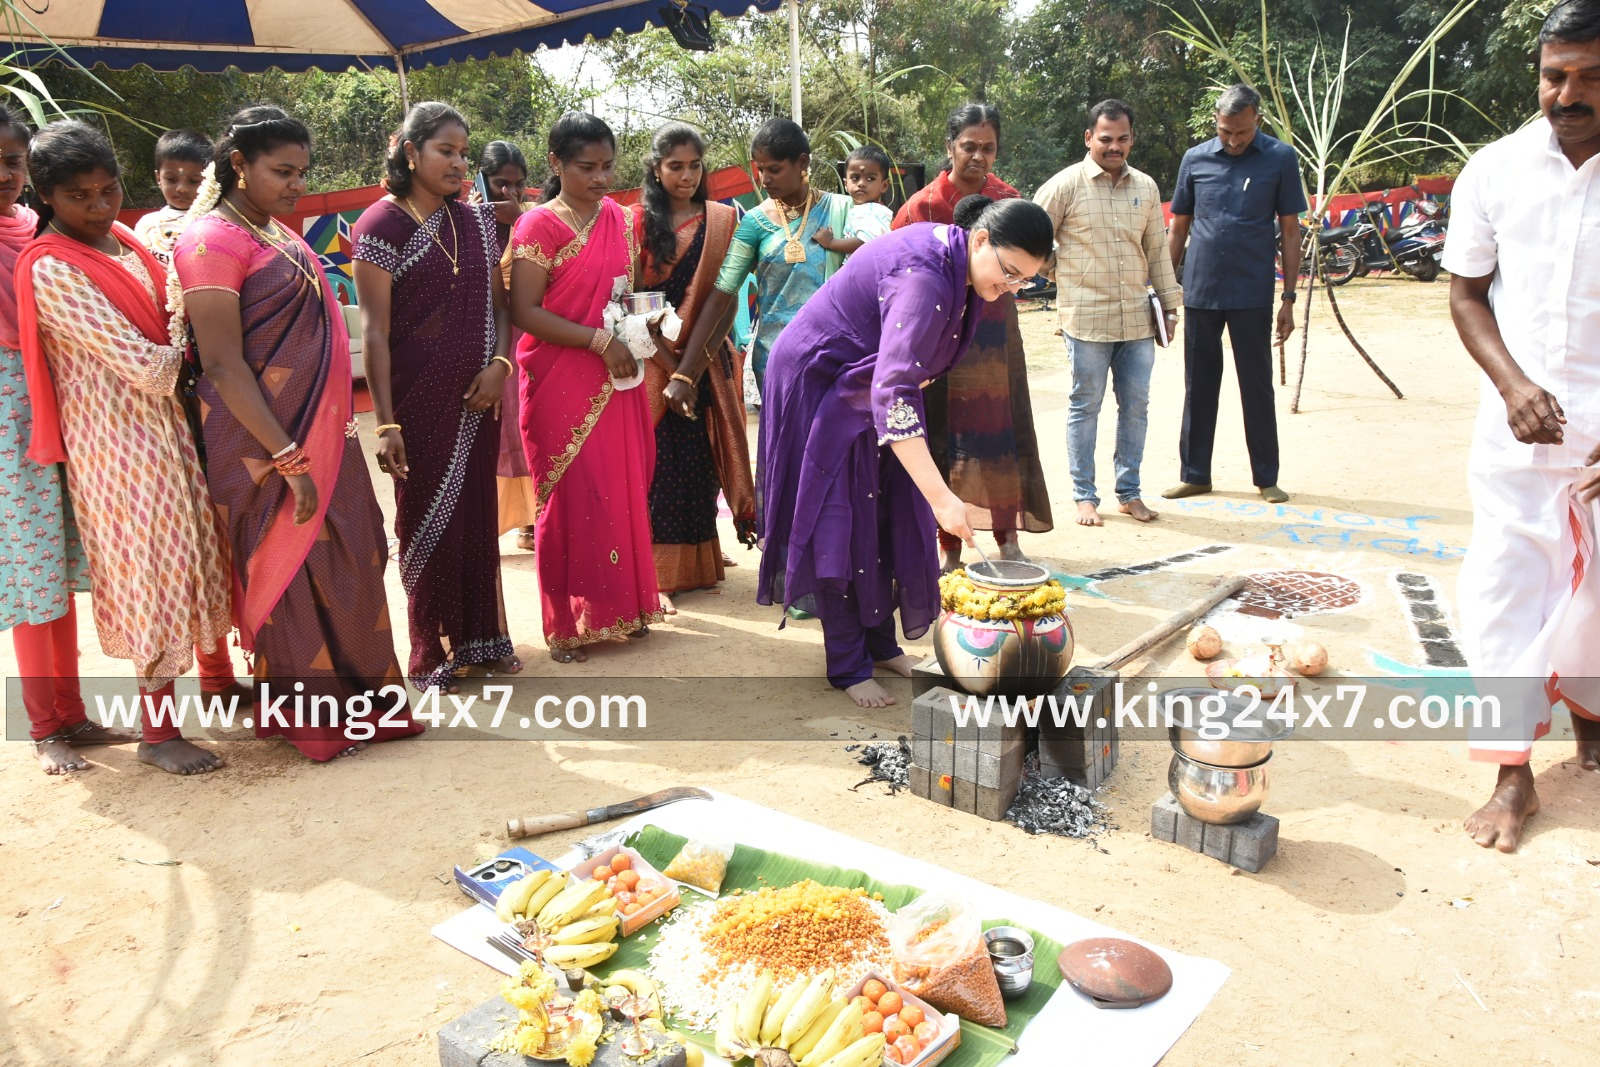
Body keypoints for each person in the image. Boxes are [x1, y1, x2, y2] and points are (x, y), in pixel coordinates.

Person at [172, 106, 424, 760]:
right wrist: (287, 455)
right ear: (238, 166)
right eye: (282, 172)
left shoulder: (276, 233)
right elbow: (224, 362)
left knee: (356, 553)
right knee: (288, 574)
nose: (295, 186)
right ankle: (315, 722)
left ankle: (370, 706)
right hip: (261, 445)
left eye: (301, 173)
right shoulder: (209, 239)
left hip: (324, 434)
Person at [759, 195, 1054, 708]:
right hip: (823, 383)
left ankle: (878, 643)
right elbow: (893, 390)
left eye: (1023, 281)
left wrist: (929, 488)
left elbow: (897, 380)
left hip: (868, 386)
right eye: (1008, 273)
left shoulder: (963, 268)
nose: (1009, 288)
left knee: (887, 509)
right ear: (980, 239)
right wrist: (943, 499)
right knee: (841, 519)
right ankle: (847, 663)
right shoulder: (925, 276)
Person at [16, 121, 236, 775]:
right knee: (149, 578)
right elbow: (137, 359)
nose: (100, 205)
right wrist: (206, 357)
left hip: (167, 430)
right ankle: (158, 732)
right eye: (81, 196)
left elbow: (171, 307)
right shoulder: (51, 267)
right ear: (47, 196)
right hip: (117, 447)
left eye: (109, 189)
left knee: (196, 558)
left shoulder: (123, 239)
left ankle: (219, 681)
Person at [1442, 0, 1600, 853]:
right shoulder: (1494, 171)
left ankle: (1591, 723)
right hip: (1515, 431)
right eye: (1554, 76)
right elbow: (1466, 293)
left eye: (1590, 77)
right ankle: (1512, 774)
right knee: (1503, 590)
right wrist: (1511, 384)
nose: (1567, 94)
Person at [352, 102, 520, 691]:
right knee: (426, 521)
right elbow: (374, 331)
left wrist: (501, 364)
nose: (457, 163)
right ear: (410, 151)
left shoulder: (474, 220)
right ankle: (435, 650)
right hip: (416, 402)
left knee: (475, 515)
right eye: (444, 151)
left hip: (480, 395)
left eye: (462, 153)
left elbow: (502, 305)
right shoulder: (379, 226)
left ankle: (483, 638)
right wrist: (387, 423)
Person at [0, 108, 135, 774]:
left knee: (61, 563)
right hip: (7, 417)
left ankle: (73, 711)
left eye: (13, 161)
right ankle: (43, 724)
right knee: (32, 576)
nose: (4, 175)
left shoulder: (34, 228)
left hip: (65, 405)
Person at [509, 112, 661, 662]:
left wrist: (645, 323)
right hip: (561, 376)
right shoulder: (538, 226)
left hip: (617, 374)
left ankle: (624, 606)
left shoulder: (621, 220)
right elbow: (524, 310)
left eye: (606, 167)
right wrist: (600, 342)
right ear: (555, 163)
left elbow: (625, 291)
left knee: (617, 489)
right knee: (572, 495)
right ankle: (567, 624)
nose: (599, 178)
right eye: (585, 167)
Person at [893, 103, 1053, 570]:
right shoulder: (921, 206)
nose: (978, 156)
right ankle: (949, 548)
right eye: (969, 146)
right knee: (943, 434)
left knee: (998, 432)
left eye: (988, 148)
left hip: (993, 337)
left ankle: (1007, 538)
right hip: (940, 339)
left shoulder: (1009, 198)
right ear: (950, 147)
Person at [1034, 99, 1182, 527]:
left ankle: (1129, 492)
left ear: (1132, 138)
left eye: (1122, 139)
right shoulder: (1065, 185)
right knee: (1086, 405)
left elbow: (1157, 250)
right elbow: (1030, 235)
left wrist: (1170, 307)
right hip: (1085, 320)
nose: (1114, 147)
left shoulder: (1147, 187)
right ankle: (1084, 496)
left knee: (1135, 406)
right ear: (1089, 138)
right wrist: (1057, 269)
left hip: (1137, 318)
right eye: (1105, 139)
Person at [636, 122, 757, 611]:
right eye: (675, 166)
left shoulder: (723, 221)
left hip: (705, 358)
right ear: (656, 168)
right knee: (658, 465)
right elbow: (631, 303)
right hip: (651, 358)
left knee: (699, 461)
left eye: (694, 166)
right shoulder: (637, 223)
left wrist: (688, 371)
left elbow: (725, 301)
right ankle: (657, 574)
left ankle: (701, 563)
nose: (686, 176)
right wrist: (668, 367)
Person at [1164, 83, 1305, 505]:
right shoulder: (1195, 159)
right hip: (1202, 289)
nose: (1234, 139)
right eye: (1226, 131)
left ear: (1257, 121)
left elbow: (1291, 230)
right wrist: (1166, 287)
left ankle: (1266, 477)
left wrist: (1289, 297)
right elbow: (1179, 226)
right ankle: (1195, 474)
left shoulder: (1280, 159)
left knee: (1256, 385)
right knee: (1199, 384)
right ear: (1217, 123)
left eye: (1241, 131)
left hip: (1253, 291)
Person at [675, 118, 852, 400]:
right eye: (760, 169)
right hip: (777, 360)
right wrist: (685, 371)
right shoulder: (754, 224)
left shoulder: (843, 211)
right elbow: (722, 293)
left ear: (802, 162)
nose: (764, 179)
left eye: (774, 169)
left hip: (839, 358)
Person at [476, 140, 539, 552]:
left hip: (528, 337)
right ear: (481, 181)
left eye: (517, 186)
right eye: (500, 184)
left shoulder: (534, 221)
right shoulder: (467, 222)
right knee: (496, 435)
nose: (508, 195)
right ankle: (490, 521)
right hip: (484, 341)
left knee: (529, 427)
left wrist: (519, 221)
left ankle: (534, 521)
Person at [133, 129, 211, 266]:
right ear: (158, 178)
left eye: (194, 181)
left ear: (210, 179)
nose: (182, 188)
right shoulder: (147, 224)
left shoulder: (212, 223)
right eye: (171, 179)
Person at [819, 144, 894, 252]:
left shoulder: (874, 211)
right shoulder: (859, 209)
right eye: (855, 178)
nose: (861, 183)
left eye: (870, 178)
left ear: (884, 185)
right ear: (846, 184)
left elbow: (865, 243)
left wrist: (831, 242)